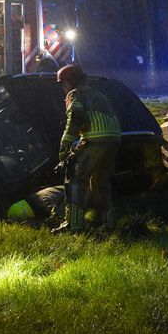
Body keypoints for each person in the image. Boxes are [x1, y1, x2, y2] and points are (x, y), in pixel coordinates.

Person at [52, 65, 122, 233]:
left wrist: (64, 149)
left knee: (74, 177)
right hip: (113, 139)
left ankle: (73, 224)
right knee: (100, 182)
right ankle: (107, 223)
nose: (63, 88)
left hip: (96, 139)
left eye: (63, 83)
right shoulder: (96, 93)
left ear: (71, 82)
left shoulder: (75, 95)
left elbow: (73, 122)